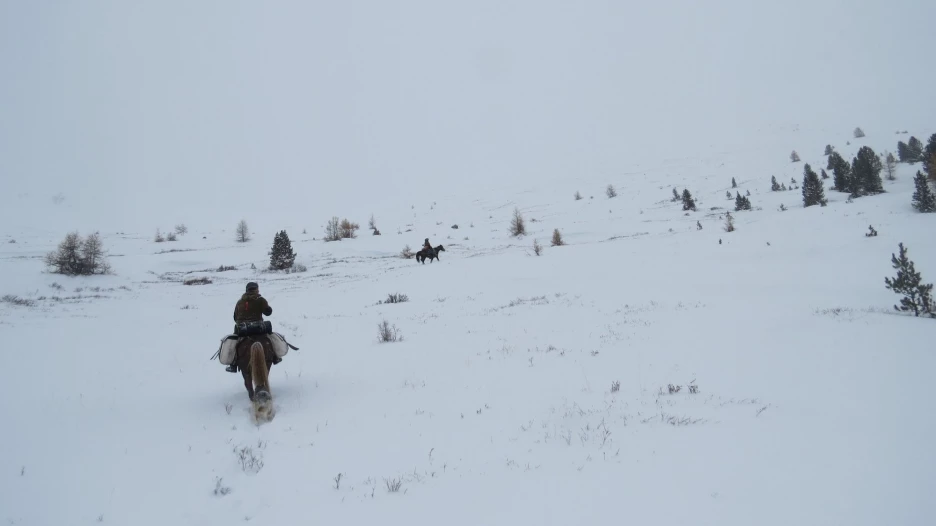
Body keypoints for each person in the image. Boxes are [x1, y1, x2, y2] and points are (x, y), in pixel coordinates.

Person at [227, 282, 275, 372]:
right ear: (256, 289)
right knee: (271, 339)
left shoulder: (239, 302)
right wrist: (268, 308)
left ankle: (233, 364)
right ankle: (275, 356)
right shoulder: (260, 300)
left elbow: (235, 318)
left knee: (234, 344)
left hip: (242, 329)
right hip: (258, 328)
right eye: (258, 289)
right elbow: (268, 313)